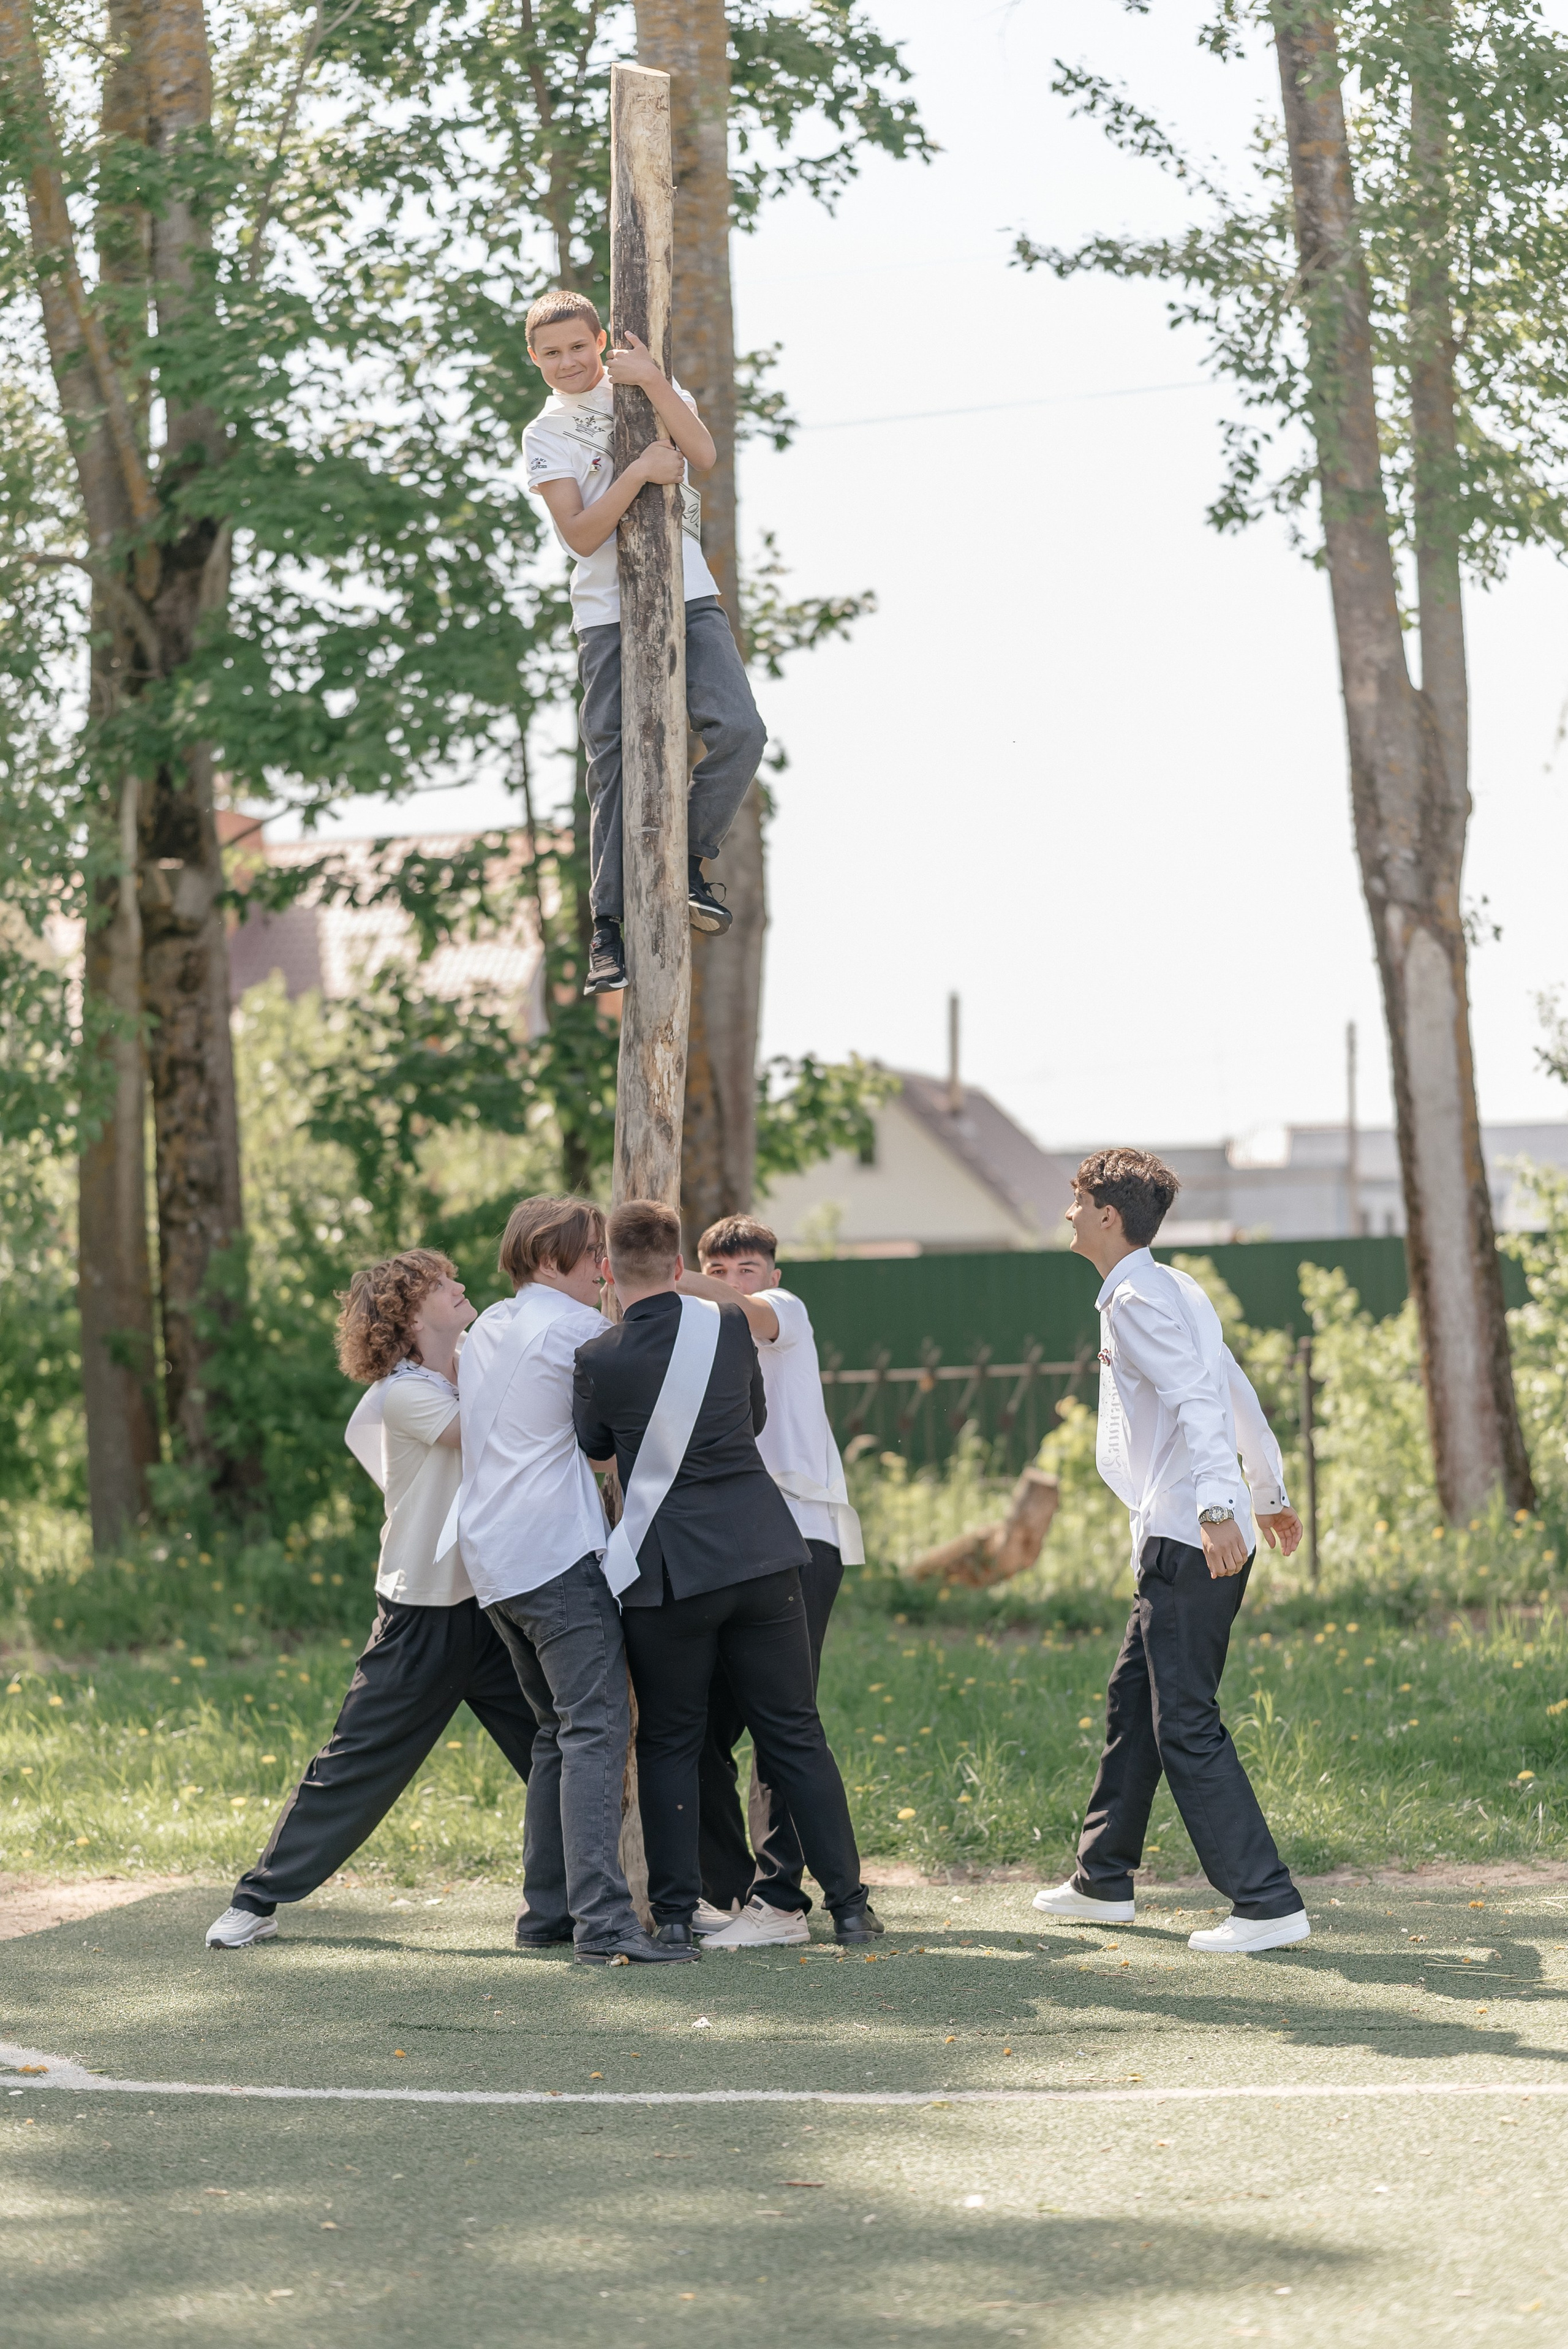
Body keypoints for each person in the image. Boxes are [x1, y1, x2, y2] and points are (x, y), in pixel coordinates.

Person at [205, 1251, 541, 1950]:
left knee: (559, 1751)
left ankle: (577, 1902)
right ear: (411, 1316)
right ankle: (257, 1897)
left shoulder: (473, 1363)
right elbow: (492, 1432)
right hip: (421, 1615)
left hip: (497, 1604)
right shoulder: (406, 1392)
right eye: (443, 1285)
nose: (460, 1286)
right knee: (356, 1762)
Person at [572, 1198, 880, 1951]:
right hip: (764, 1551)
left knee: (673, 1740)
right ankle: (849, 1907)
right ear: (679, 1268)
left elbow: (599, 1453)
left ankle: (676, 1914)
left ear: (609, 1272)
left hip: (670, 1571)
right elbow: (752, 1421)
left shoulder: (599, 1356)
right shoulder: (730, 1330)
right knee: (795, 1732)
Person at [1033, 1148, 1311, 1956]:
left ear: (1109, 1215)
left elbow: (1200, 1395)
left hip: (1192, 1535)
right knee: (1135, 1703)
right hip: (1190, 1527)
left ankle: (1266, 1900)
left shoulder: (1137, 1298)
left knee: (1184, 1719)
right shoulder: (1169, 1286)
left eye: (1078, 1200)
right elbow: (1232, 1386)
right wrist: (1270, 1492)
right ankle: (1102, 1878)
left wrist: (1226, 1506)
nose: (1069, 1212)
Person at [456, 1194, 693, 1964]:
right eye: (595, 1252)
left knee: (557, 1733)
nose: (606, 1268)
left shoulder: (487, 1323)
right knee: (595, 1730)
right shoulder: (578, 1328)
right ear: (554, 1256)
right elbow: (613, 1431)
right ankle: (606, 1923)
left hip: (492, 1559)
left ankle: (548, 1911)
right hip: (553, 1552)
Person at [521, 288, 767, 996]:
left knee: (740, 729)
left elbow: (704, 455)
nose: (567, 362)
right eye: (551, 353)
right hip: (605, 613)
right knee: (613, 758)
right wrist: (637, 473)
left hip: (688, 593)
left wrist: (655, 381)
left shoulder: (644, 388)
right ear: (534, 360)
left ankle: (686, 861)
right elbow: (582, 533)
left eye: (578, 346)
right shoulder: (546, 435)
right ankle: (607, 926)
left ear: (600, 341)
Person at [673, 1213, 863, 1950]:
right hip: (726, 1548)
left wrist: (653, 1276)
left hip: (801, 1536)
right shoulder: (691, 1341)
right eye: (714, 1270)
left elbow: (746, 1314)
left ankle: (784, 1896)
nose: (729, 1282)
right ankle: (729, 1891)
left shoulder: (783, 1312)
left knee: (782, 1723)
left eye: (743, 1269)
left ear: (771, 1277)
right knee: (705, 1726)